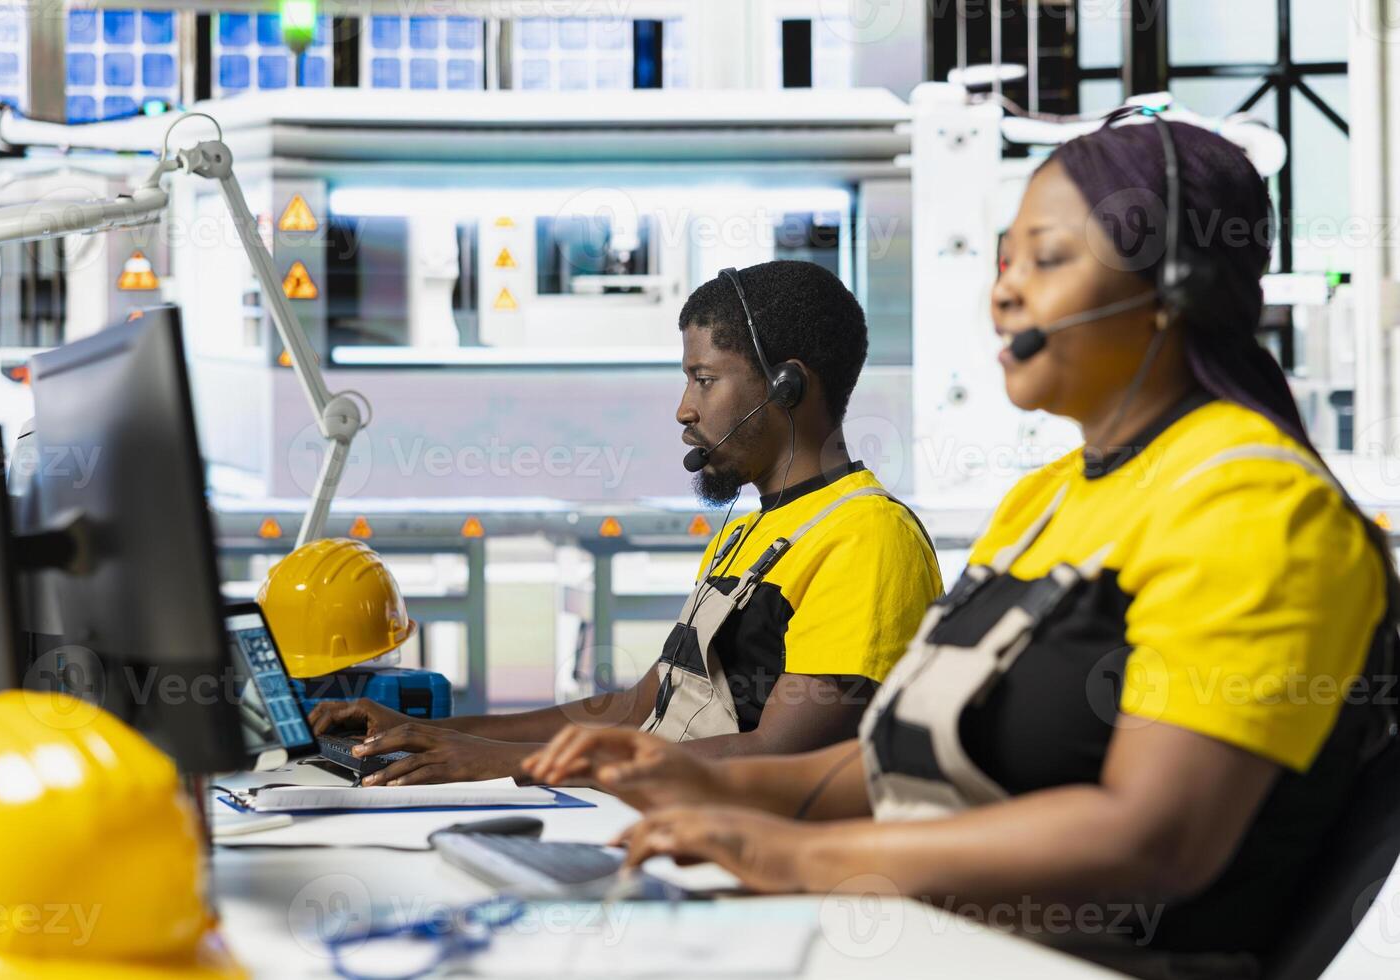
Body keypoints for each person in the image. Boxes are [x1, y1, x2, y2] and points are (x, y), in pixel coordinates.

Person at [521, 116, 1398, 977]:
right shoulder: (1044, 500)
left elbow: (1152, 837)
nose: (1003, 294)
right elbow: (896, 765)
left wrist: (802, 860)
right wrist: (699, 786)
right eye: (1003, 261)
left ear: (1172, 288)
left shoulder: (1258, 508)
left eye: (1047, 259)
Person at [310, 260, 943, 786]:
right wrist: (429, 734)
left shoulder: (865, 538)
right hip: (655, 813)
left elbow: (778, 758)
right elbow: (639, 709)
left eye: (704, 379)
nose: (683, 408)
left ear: (787, 388)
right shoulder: (750, 532)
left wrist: (509, 766)